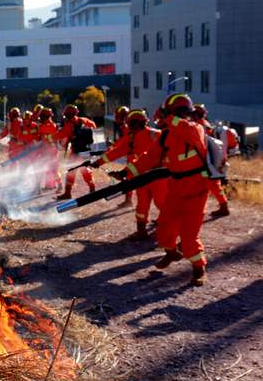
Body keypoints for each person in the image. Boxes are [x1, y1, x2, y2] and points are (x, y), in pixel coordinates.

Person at [122, 94, 210, 286]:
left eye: (169, 115)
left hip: (196, 191)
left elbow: (185, 129)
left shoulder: (195, 129)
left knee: (188, 238)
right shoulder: (166, 136)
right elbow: (148, 158)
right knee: (164, 230)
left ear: (178, 113)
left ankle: (199, 269)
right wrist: (126, 173)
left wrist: (168, 115)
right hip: (175, 189)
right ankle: (171, 253)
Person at [92, 109, 167, 240]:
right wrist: (98, 162)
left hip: (156, 176)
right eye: (132, 124)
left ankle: (171, 230)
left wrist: (99, 162)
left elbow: (169, 150)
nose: (132, 127)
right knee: (143, 204)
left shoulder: (155, 135)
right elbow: (116, 152)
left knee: (160, 203)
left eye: (134, 124)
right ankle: (142, 231)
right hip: (143, 176)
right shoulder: (134, 138)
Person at [193, 104, 230, 217]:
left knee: (208, 184)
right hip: (210, 160)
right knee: (214, 184)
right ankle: (223, 206)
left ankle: (222, 207)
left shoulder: (199, 125)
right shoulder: (206, 124)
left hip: (205, 160)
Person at [56, 105, 97, 200]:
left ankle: (67, 193)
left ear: (67, 115)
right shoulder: (84, 120)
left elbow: (60, 136)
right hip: (86, 150)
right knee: (85, 169)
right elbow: (94, 126)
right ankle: (92, 188)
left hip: (76, 151)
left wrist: (50, 137)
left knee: (71, 171)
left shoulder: (69, 125)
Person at [112, 106, 133, 207]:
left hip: (135, 158)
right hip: (133, 157)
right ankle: (128, 201)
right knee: (130, 179)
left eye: (117, 117)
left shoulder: (127, 128)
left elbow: (123, 143)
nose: (116, 119)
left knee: (131, 179)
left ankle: (129, 201)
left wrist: (112, 149)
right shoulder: (126, 127)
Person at [37, 108, 61, 191]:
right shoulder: (52, 125)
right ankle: (50, 185)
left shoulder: (46, 126)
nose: (40, 119)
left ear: (46, 117)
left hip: (50, 151)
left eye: (42, 117)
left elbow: (41, 134)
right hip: (48, 150)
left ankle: (58, 185)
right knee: (50, 170)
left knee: (50, 169)